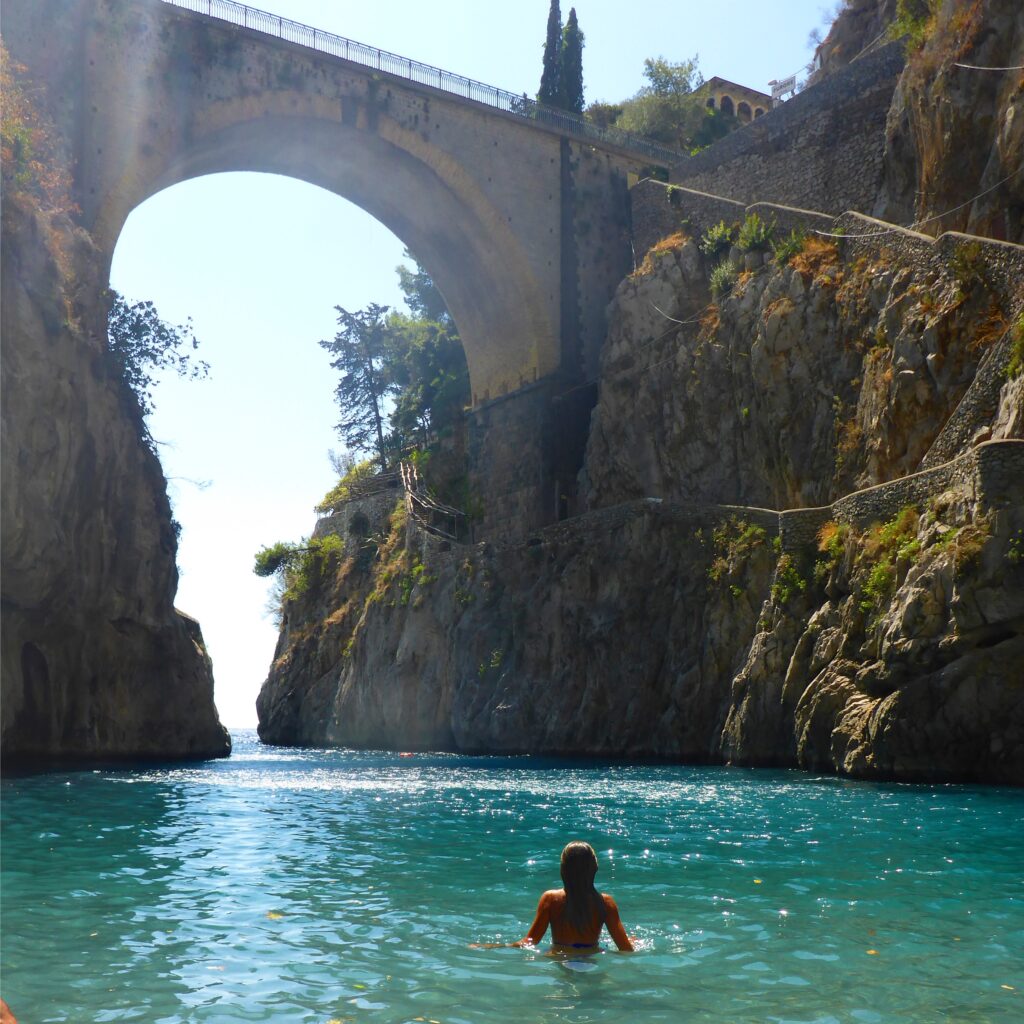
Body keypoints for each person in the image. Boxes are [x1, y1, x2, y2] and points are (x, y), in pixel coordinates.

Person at [521, 841, 634, 952]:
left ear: (564, 868)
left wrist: (505, 946)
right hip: (590, 959)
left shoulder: (550, 899)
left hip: (559, 957)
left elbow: (530, 942)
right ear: (594, 868)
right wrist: (631, 942)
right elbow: (625, 949)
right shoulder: (605, 902)